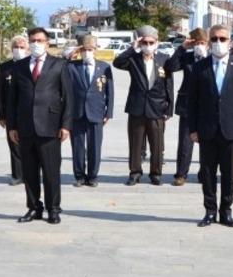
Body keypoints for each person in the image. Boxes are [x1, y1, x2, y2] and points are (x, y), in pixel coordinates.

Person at [189, 25, 233, 227]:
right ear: (209, 42)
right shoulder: (200, 67)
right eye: (215, 39)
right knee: (208, 173)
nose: (219, 43)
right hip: (206, 129)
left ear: (230, 42)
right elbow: (192, 101)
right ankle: (210, 210)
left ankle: (226, 210)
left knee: (228, 173)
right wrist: (193, 129)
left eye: (223, 39)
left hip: (231, 129)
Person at [7, 27, 73, 224]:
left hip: (50, 126)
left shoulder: (59, 65)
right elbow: (13, 99)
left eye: (40, 40)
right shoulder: (20, 66)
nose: (36, 44)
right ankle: (34, 207)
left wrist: (66, 125)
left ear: (47, 43)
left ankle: (53, 208)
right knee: (29, 172)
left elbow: (68, 98)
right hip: (25, 127)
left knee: (51, 171)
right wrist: (12, 126)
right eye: (33, 40)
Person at [113, 25, 173, 186]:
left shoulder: (164, 59)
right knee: (135, 143)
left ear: (157, 42)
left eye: (150, 42)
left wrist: (169, 108)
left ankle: (156, 173)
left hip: (157, 107)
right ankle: (135, 172)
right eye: (144, 42)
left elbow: (169, 84)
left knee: (157, 144)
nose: (147, 45)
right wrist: (133, 48)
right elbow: (117, 63)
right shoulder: (133, 59)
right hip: (137, 107)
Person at [164, 28, 208, 186]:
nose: (200, 46)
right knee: (185, 142)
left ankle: (205, 173)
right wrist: (182, 48)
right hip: (188, 105)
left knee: (207, 143)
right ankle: (181, 174)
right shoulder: (188, 57)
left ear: (208, 44)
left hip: (207, 106)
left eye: (203, 43)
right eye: (197, 43)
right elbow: (170, 67)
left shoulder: (212, 58)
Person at [68, 35, 114, 187]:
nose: (87, 52)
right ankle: (79, 176)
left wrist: (109, 112)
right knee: (78, 147)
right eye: (84, 50)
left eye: (90, 50)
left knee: (95, 146)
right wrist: (70, 55)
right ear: (80, 50)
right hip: (77, 112)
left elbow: (110, 91)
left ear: (95, 50)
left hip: (96, 112)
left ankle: (93, 176)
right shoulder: (72, 66)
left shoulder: (104, 67)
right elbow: (59, 67)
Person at [0, 36, 28, 185]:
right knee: (14, 144)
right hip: (11, 113)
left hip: (28, 112)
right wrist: (0, 115)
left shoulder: (30, 65)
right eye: (16, 47)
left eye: (22, 47)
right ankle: (17, 175)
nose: (19, 50)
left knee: (29, 145)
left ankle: (30, 174)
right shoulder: (4, 68)